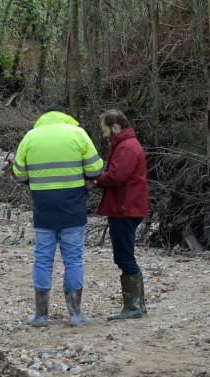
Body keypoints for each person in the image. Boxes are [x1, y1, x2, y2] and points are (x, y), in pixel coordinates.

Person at [13, 106, 103, 327]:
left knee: (43, 260)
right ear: (66, 118)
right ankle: (75, 314)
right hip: (72, 207)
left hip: (43, 208)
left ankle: (41, 315)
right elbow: (95, 169)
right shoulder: (78, 134)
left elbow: (18, 173)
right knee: (73, 260)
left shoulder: (30, 136)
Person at [88, 109, 148, 320]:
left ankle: (133, 308)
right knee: (126, 255)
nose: (103, 135)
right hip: (127, 207)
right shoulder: (126, 145)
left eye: (105, 130)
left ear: (115, 127)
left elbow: (116, 176)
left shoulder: (127, 147)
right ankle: (138, 305)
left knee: (124, 257)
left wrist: (95, 180)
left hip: (125, 208)